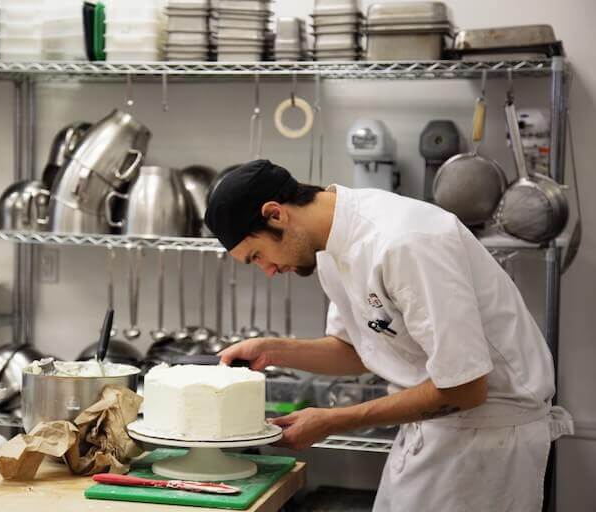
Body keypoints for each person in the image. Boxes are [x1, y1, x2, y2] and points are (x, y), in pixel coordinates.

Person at [205, 159, 573, 511]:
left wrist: (334, 421)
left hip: (488, 443)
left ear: (275, 214)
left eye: (256, 256)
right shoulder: (330, 248)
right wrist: (274, 350)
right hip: (432, 432)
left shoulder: (405, 241)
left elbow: (466, 387)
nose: (267, 271)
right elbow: (358, 348)